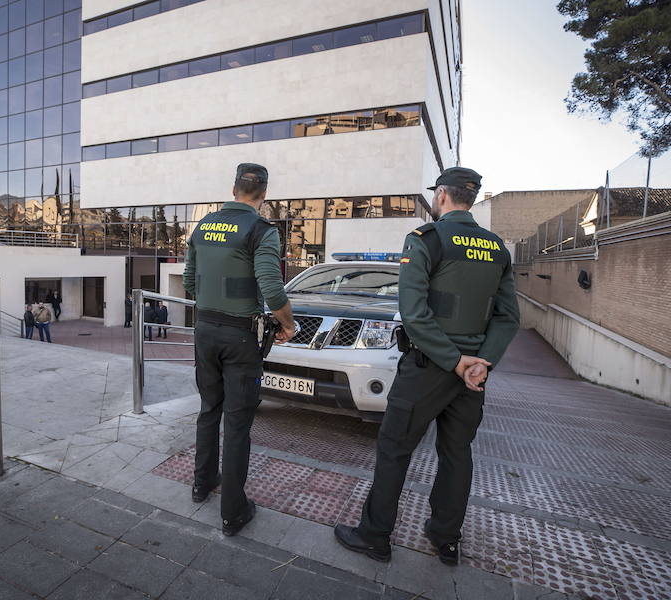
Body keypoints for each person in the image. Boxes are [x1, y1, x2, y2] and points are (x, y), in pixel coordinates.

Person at [334, 168, 520, 564]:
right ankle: (446, 540)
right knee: (457, 454)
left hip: (429, 367)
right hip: (473, 375)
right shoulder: (497, 249)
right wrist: (480, 363)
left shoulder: (427, 238)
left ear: (441, 196)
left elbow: (414, 313)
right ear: (470, 199)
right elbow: (508, 317)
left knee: (395, 449)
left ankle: (375, 535)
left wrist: (454, 362)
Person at [183, 163, 295, 536]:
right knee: (237, 423)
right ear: (263, 194)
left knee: (208, 409)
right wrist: (289, 324)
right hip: (240, 338)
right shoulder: (261, 231)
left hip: (204, 330)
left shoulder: (203, 226)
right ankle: (233, 512)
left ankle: (201, 484)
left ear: (233, 189)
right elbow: (271, 288)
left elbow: (188, 282)